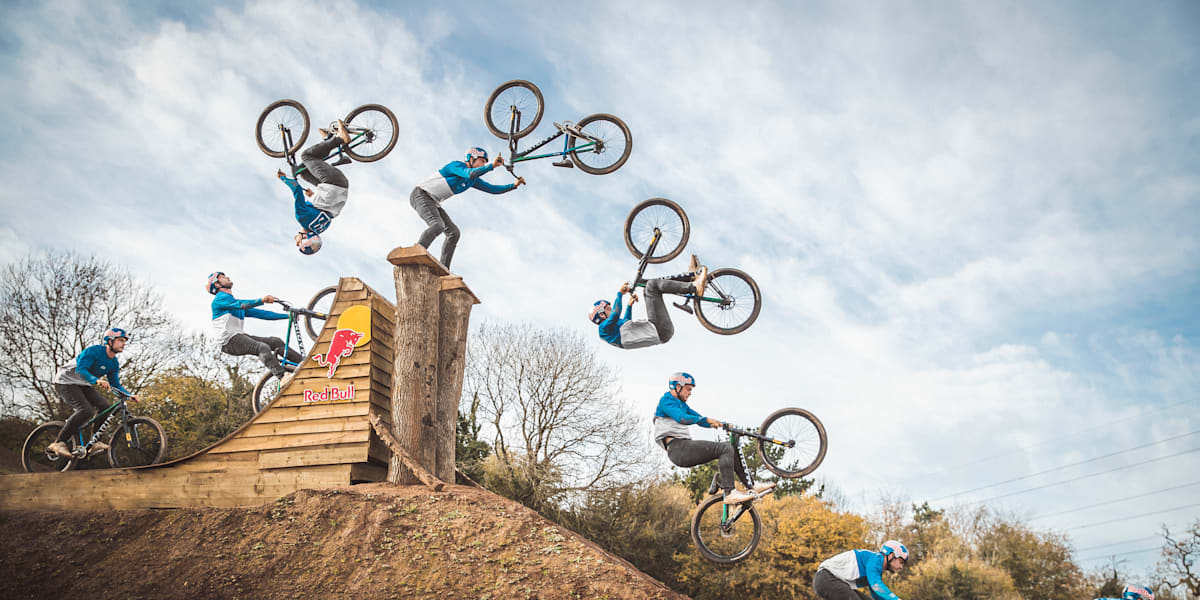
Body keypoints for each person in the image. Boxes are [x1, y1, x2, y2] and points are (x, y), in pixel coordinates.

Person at [652, 372, 775, 504]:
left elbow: (700, 419)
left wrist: (720, 423)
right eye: (688, 389)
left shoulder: (681, 404)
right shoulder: (666, 401)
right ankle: (730, 493)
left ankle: (750, 484)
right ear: (678, 387)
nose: (690, 393)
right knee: (724, 448)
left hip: (684, 447)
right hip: (678, 449)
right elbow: (682, 418)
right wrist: (708, 420)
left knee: (730, 448)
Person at [410, 147, 526, 268]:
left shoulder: (473, 180)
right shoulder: (456, 166)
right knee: (437, 225)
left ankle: (443, 270)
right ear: (471, 159)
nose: (483, 164)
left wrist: (513, 185)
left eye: (485, 163)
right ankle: (416, 251)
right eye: (482, 161)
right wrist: (492, 165)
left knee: (454, 233)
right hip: (421, 194)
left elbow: (492, 189)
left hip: (433, 202)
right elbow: (470, 173)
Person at [46, 328, 137, 458]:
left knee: (105, 406)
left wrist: (129, 395)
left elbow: (115, 385)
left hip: (82, 384)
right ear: (110, 341)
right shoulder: (93, 351)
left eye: (125, 341)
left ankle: (94, 442)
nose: (123, 344)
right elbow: (81, 369)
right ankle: (58, 442)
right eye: (120, 340)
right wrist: (96, 381)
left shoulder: (113, 363)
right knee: (86, 410)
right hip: (65, 381)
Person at [590, 256, 707, 350]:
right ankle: (694, 287)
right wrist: (619, 294)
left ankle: (690, 278)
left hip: (660, 331)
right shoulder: (603, 329)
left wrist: (629, 305)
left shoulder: (612, 332)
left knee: (648, 288)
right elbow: (616, 314)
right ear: (601, 315)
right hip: (658, 329)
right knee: (652, 286)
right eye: (608, 308)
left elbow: (626, 321)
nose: (611, 309)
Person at [277, 121, 353, 255]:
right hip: (332, 182)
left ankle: (327, 140)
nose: (296, 242)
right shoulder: (302, 217)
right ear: (306, 238)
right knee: (307, 157)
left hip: (338, 186)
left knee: (302, 171)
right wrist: (283, 178)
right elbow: (296, 189)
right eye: (299, 243)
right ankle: (339, 139)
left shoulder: (321, 228)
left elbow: (326, 209)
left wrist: (313, 196)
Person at [207, 271, 301, 378]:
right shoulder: (220, 299)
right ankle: (283, 377)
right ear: (217, 284)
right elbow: (242, 304)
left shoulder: (233, 304)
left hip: (238, 336)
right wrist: (262, 300)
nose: (227, 277)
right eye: (222, 277)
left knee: (275, 342)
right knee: (262, 347)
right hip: (228, 341)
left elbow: (261, 314)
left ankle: (303, 363)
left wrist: (287, 316)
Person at [813, 541, 908, 600]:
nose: (901, 567)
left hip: (834, 581)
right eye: (901, 561)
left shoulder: (876, 568)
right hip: (825, 578)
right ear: (891, 555)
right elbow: (876, 586)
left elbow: (877, 595)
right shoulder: (875, 559)